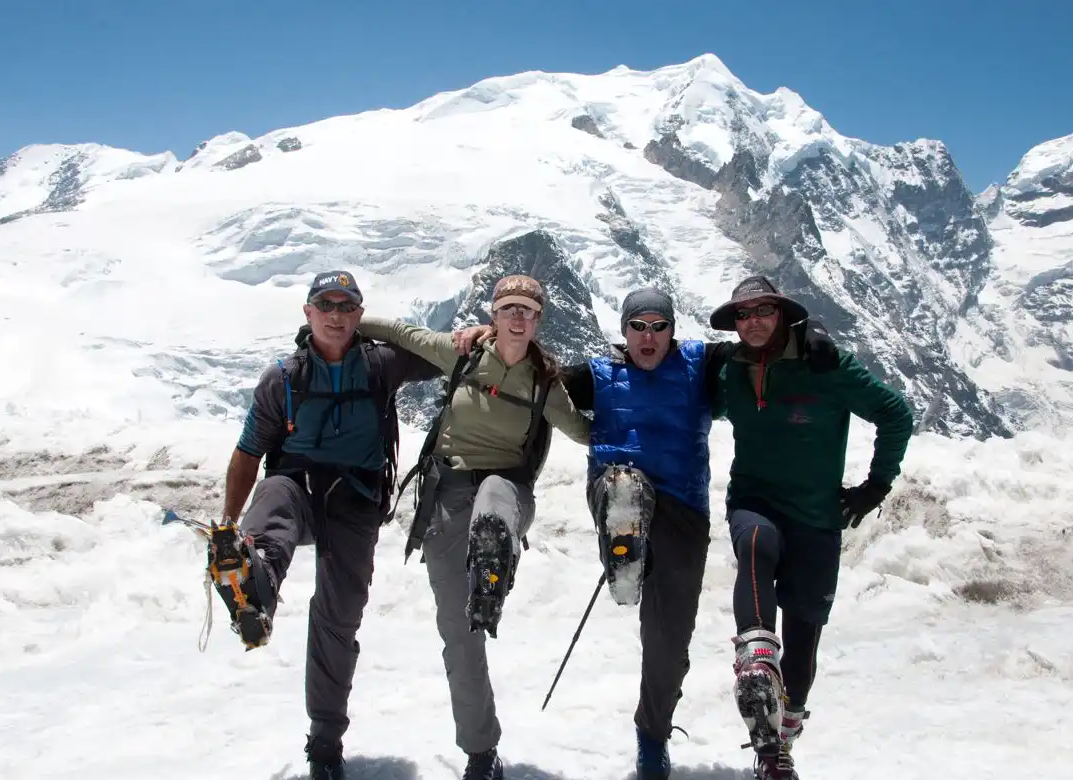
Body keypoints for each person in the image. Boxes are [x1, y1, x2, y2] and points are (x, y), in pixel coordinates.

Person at [452, 286, 838, 780]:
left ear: (673, 330)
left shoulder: (700, 364)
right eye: (638, 326)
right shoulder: (598, 375)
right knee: (624, 485)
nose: (648, 336)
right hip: (614, 488)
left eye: (659, 326)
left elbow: (761, 341)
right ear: (624, 332)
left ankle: (652, 735)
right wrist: (489, 335)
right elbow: (530, 372)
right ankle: (623, 543)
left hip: (683, 511)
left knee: (669, 642)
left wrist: (811, 334)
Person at [208, 270, 441, 780]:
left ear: (359, 314)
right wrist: (228, 523)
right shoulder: (283, 380)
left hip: (354, 502)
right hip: (297, 491)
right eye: (325, 304)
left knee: (339, 618)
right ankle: (252, 578)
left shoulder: (381, 364)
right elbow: (249, 455)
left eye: (346, 305)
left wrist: (473, 336)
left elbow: (438, 354)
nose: (335, 314)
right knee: (272, 497)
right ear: (308, 311)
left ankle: (325, 741)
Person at [358, 274, 591, 780]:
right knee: (460, 636)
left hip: (506, 493)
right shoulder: (461, 354)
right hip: (446, 496)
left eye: (527, 310)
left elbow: (583, 431)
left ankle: (492, 563)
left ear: (538, 320)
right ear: (494, 314)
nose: (517, 317)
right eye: (509, 308)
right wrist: (343, 322)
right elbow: (400, 332)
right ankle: (481, 752)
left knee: (492, 504)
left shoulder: (544, 384)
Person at [708, 275, 914, 780]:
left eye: (763, 311)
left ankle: (777, 748)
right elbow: (665, 377)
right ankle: (756, 660)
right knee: (756, 540)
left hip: (818, 516)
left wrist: (876, 486)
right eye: (743, 314)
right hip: (754, 500)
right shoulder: (729, 371)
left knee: (804, 639)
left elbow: (894, 413)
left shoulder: (825, 365)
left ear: (782, 315)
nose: (753, 322)